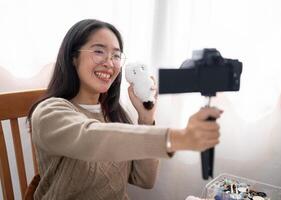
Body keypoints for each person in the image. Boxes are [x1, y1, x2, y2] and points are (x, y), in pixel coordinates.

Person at [27, 19, 222, 200]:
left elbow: (145, 180)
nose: (110, 63)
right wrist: (178, 137)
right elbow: (92, 138)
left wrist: (147, 119)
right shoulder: (49, 112)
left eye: (116, 55)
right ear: (73, 57)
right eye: (99, 51)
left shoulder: (114, 115)